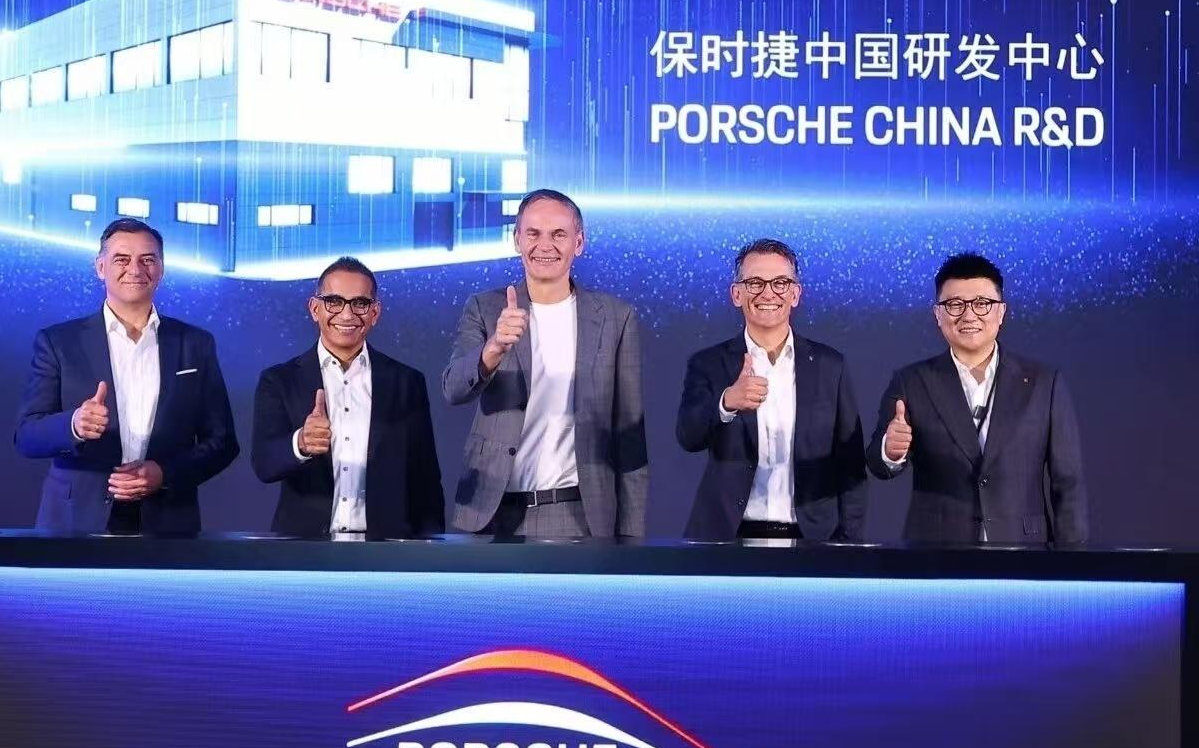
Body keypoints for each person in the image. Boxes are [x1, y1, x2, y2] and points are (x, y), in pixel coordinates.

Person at [443, 188, 647, 539]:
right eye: (534, 233)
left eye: (559, 234)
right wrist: (493, 348)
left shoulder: (615, 317)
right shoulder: (485, 308)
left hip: (576, 513)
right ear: (517, 240)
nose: (545, 245)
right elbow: (453, 389)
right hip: (490, 511)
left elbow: (630, 433)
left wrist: (631, 534)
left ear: (579, 243)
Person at [14, 217, 239, 534]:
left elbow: (223, 442)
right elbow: (27, 436)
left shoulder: (195, 343)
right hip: (76, 522)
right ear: (100, 267)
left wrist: (165, 474)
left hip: (168, 521)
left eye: (147, 260)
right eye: (122, 259)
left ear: (161, 269)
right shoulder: (59, 342)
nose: (135, 269)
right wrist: (74, 424)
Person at [866, 251, 1087, 546]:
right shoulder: (912, 381)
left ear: (1001, 311)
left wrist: (1073, 558)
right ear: (938, 314)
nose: (969, 315)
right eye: (955, 305)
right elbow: (877, 464)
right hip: (935, 551)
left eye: (982, 303)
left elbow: (1068, 482)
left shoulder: (1043, 383)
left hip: (1023, 549)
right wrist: (890, 452)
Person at [676, 238, 866, 541]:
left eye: (780, 283)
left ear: (795, 294)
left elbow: (851, 463)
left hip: (813, 538)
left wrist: (848, 541)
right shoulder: (709, 363)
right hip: (728, 536)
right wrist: (726, 403)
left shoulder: (830, 366)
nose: (768, 293)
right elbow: (689, 436)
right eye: (755, 283)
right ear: (736, 294)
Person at [250, 255, 444, 538]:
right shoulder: (279, 380)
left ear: (375, 313)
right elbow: (265, 464)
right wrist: (301, 443)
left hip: (385, 547)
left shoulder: (406, 382)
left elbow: (425, 477)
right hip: (304, 548)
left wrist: (432, 548)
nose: (347, 314)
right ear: (315, 308)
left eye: (360, 303)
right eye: (334, 301)